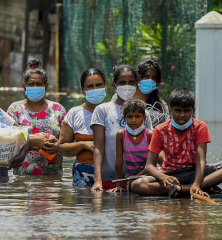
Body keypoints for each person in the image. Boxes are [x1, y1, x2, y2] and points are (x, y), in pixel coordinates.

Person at [131, 88, 222, 197]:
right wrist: (164, 178)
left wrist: (196, 183)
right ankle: (195, 187)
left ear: (193, 111)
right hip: (170, 174)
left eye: (186, 111)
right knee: (137, 185)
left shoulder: (200, 127)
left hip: (194, 172)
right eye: (178, 110)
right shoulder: (160, 130)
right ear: (170, 109)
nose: (182, 115)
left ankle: (186, 189)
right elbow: (149, 166)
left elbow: (201, 160)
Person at [90, 64, 153, 192]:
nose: (127, 86)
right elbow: (98, 147)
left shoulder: (144, 113)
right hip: (110, 180)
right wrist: (98, 180)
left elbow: (152, 149)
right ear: (114, 85)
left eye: (131, 82)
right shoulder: (103, 110)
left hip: (139, 180)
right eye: (122, 83)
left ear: (136, 84)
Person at [7, 59, 67, 175]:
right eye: (31, 84)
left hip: (52, 178)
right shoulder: (15, 110)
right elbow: (6, 141)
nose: (35, 87)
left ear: (46, 86)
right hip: (23, 179)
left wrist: (56, 145)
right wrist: (33, 140)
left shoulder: (58, 109)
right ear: (24, 87)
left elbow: (67, 141)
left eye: (39, 84)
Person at [58, 68, 106, 187]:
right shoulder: (75, 113)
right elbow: (60, 148)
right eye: (90, 86)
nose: (95, 89)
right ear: (83, 91)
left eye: (99, 85)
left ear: (105, 86)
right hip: (82, 175)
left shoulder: (114, 111)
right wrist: (83, 144)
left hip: (110, 174)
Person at [108, 98, 153, 192]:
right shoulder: (121, 134)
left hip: (149, 175)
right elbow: (119, 160)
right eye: (130, 117)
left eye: (137, 116)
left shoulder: (149, 134)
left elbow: (151, 163)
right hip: (130, 178)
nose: (133, 120)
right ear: (124, 118)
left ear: (144, 118)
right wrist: (118, 185)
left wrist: (137, 177)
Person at [135, 59, 169, 127]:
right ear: (138, 78)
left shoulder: (161, 106)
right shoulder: (125, 99)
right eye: (146, 76)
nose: (150, 80)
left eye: (154, 77)